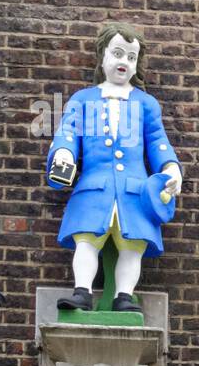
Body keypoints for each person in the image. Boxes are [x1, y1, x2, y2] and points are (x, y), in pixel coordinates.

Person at [44, 22, 183, 312]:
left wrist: (171, 168)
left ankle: (124, 296)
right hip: (94, 187)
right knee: (87, 240)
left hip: (135, 191)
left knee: (132, 247)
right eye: (118, 53)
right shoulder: (83, 99)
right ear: (103, 56)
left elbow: (158, 141)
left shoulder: (146, 104)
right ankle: (82, 290)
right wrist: (64, 155)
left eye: (131, 57)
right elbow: (68, 133)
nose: (124, 62)